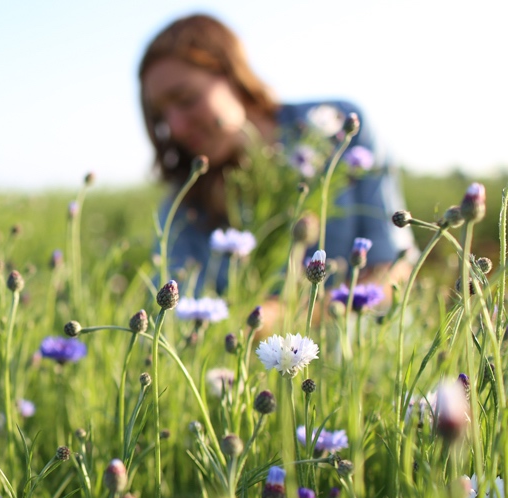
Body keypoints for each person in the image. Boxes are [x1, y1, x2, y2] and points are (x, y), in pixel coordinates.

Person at [139, 14, 417, 295]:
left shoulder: (338, 127)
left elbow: (394, 268)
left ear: (231, 74)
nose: (175, 127)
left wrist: (292, 319)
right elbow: (182, 317)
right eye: (161, 116)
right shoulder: (183, 206)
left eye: (186, 99)